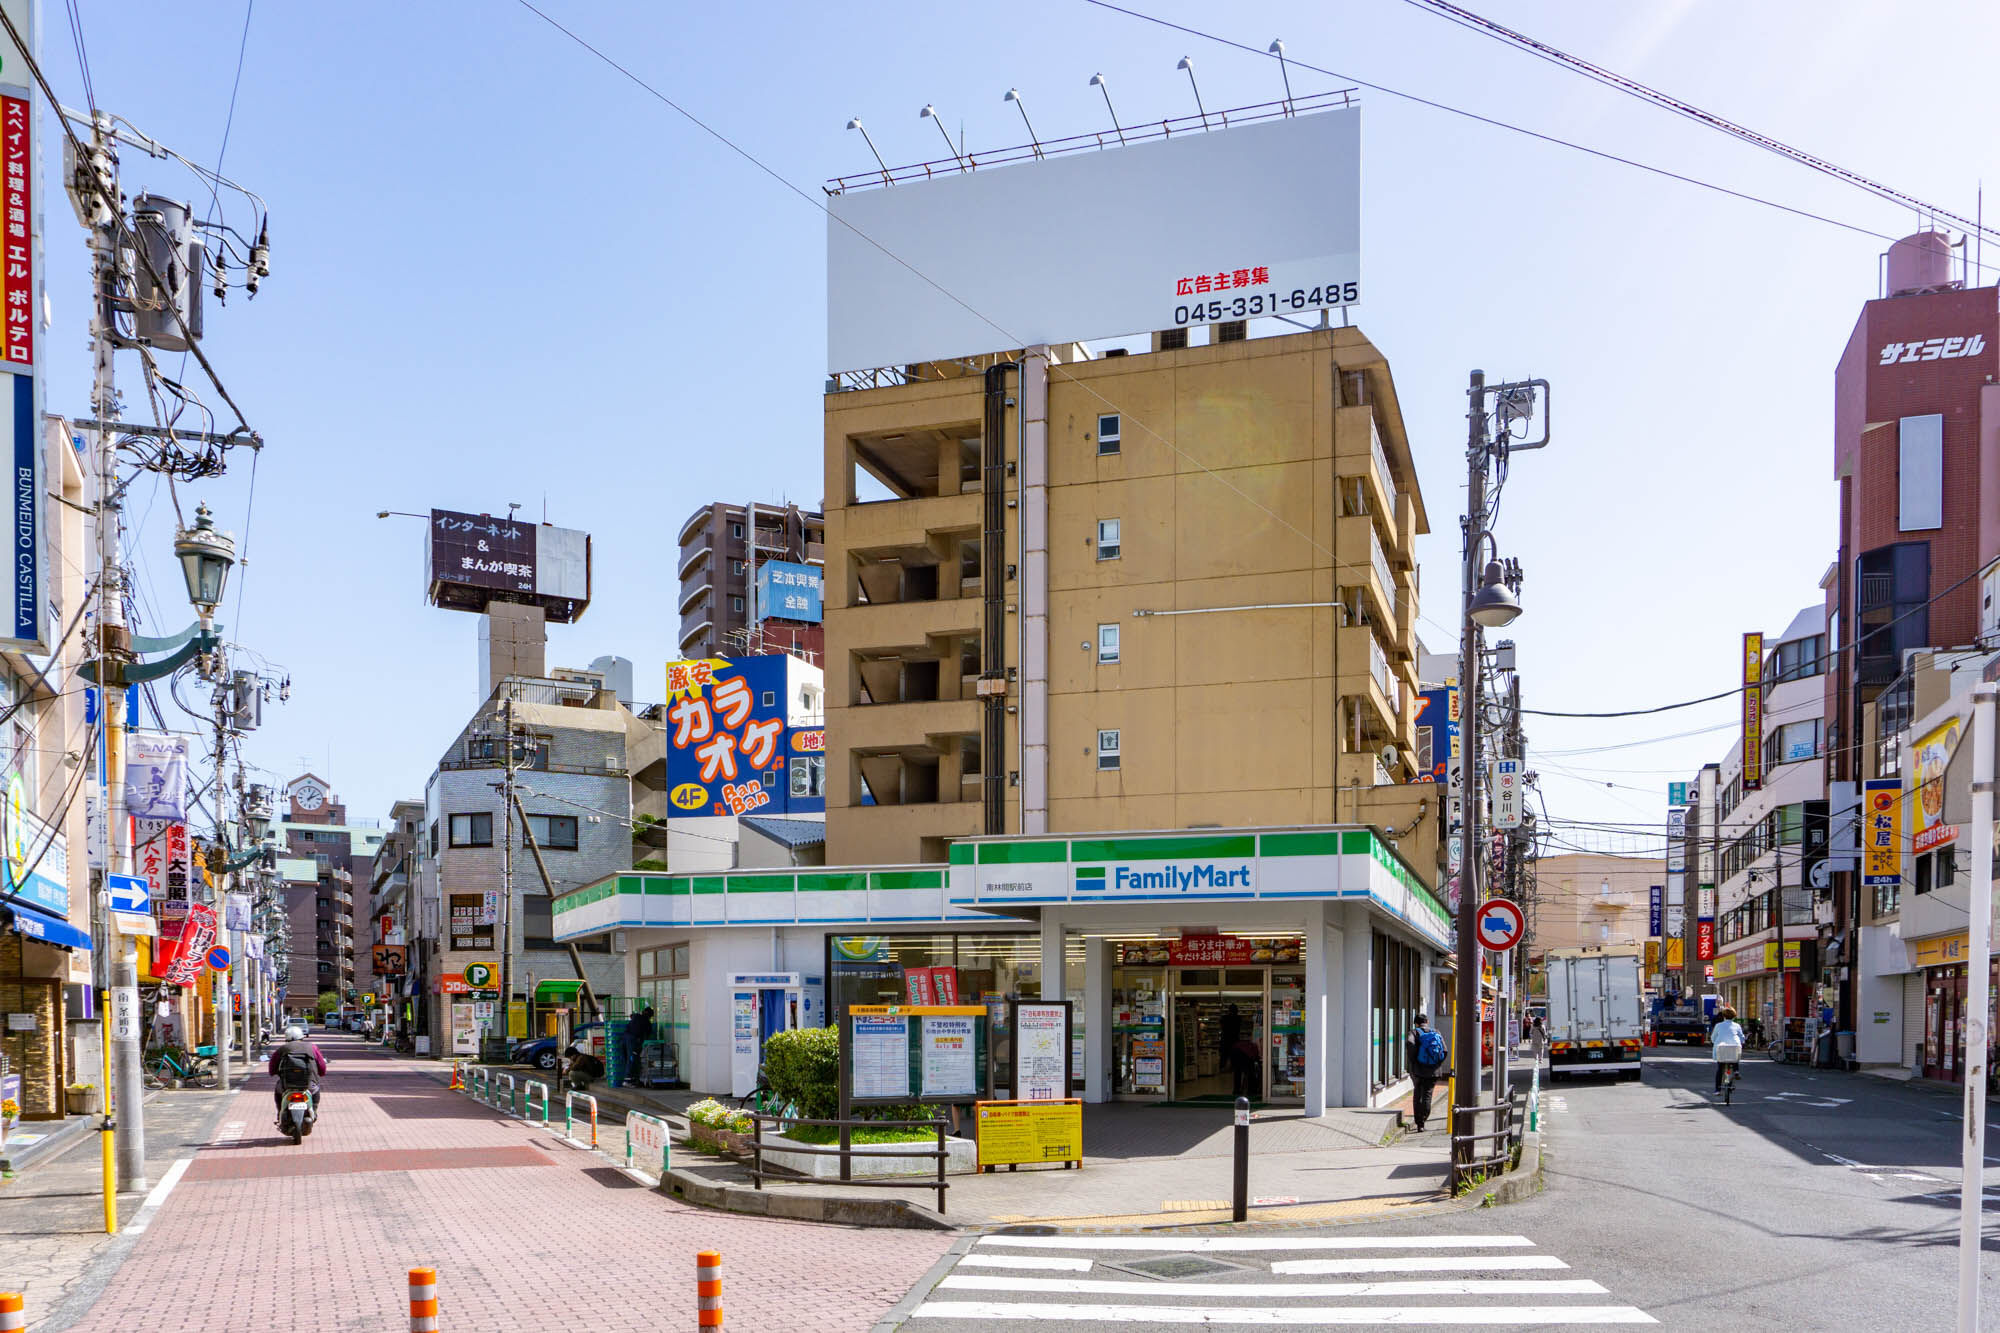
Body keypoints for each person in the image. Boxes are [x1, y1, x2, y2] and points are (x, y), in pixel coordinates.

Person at [268, 1023, 327, 1121]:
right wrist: (321, 1073)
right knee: (316, 1091)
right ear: (301, 1036)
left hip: (286, 1085)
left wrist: (273, 1072)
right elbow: (321, 1065)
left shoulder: (282, 1049)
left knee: (278, 1092)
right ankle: (314, 1111)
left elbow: (272, 1067)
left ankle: (279, 1113)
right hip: (309, 1083)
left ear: (286, 1038)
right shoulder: (312, 1047)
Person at [1406, 1012, 1450, 1132]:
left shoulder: (1413, 1032)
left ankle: (1419, 1123)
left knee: (1418, 1095)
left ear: (1416, 1023)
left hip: (1418, 1070)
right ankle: (1423, 1121)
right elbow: (1445, 1051)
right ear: (1427, 1022)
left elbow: (1410, 1043)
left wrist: (1414, 1061)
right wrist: (1436, 1064)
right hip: (1434, 1071)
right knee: (1427, 1095)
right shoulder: (1436, 1032)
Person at [1710, 1005, 1746, 1093]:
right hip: (1734, 1047)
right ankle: (1736, 1071)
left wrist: (1714, 1041)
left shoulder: (1718, 1025)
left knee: (1720, 1069)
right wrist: (1742, 1042)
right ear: (1734, 1016)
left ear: (1724, 1016)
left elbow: (1713, 1037)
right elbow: (1742, 1037)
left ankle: (1717, 1090)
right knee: (1734, 1058)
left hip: (1721, 1049)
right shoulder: (1737, 1026)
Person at [627, 1005, 655, 1082]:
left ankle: (629, 1079)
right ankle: (629, 1080)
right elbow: (648, 1034)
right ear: (650, 1016)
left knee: (629, 1059)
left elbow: (631, 1016)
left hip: (626, 1039)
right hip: (635, 1042)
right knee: (634, 1060)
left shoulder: (636, 1016)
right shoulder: (647, 1022)